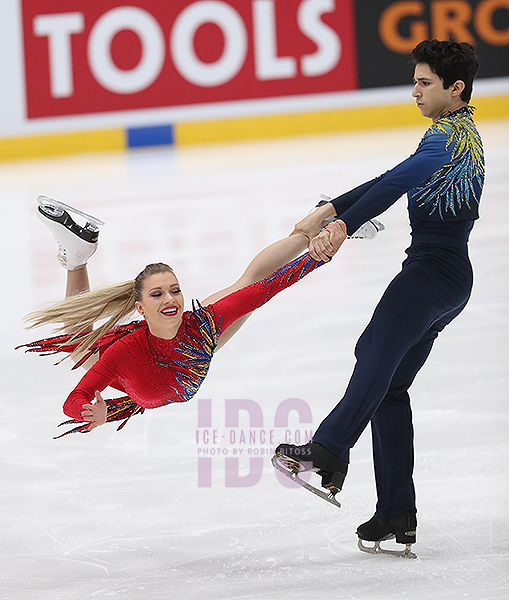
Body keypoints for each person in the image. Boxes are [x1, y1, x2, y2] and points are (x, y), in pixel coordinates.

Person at [274, 39, 484, 555]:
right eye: (414, 81)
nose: (414, 91)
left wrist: (343, 224)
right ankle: (396, 513)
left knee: (373, 349)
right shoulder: (452, 135)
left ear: (454, 88)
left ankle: (328, 449)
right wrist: (333, 208)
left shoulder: (450, 138)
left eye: (425, 83)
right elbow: (390, 178)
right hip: (447, 276)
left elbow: (402, 180)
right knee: (389, 386)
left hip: (433, 272)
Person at [19, 195, 352, 437]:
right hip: (169, 364)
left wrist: (319, 253)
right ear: (140, 308)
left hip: (189, 350)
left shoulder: (201, 325)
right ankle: (77, 257)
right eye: (158, 294)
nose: (171, 300)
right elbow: (74, 401)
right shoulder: (128, 352)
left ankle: (313, 224)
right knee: (81, 346)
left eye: (175, 290)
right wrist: (92, 413)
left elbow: (269, 288)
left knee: (250, 286)